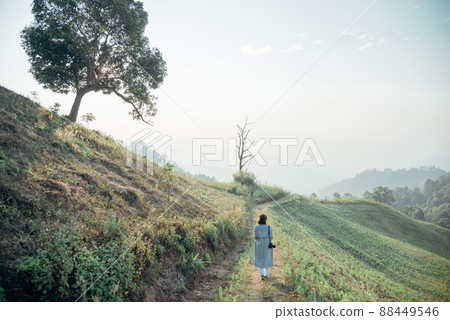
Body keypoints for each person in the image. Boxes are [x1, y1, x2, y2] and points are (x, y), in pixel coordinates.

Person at [253, 213, 274, 280]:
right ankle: (267, 274)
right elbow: (271, 236)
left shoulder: (256, 227)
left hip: (259, 244)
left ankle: (261, 274)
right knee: (267, 259)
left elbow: (255, 236)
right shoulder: (269, 227)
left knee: (259, 259)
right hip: (267, 244)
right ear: (266, 219)